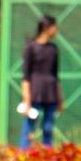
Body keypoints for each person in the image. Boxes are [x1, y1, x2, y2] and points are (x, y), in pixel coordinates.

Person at [20, 15, 63, 148]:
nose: (56, 29)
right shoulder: (31, 48)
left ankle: (46, 155)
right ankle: (24, 153)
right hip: (35, 93)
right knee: (29, 126)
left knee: (48, 127)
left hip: (51, 93)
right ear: (45, 28)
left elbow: (55, 75)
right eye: (54, 26)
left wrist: (60, 98)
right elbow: (26, 77)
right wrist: (26, 99)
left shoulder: (53, 49)